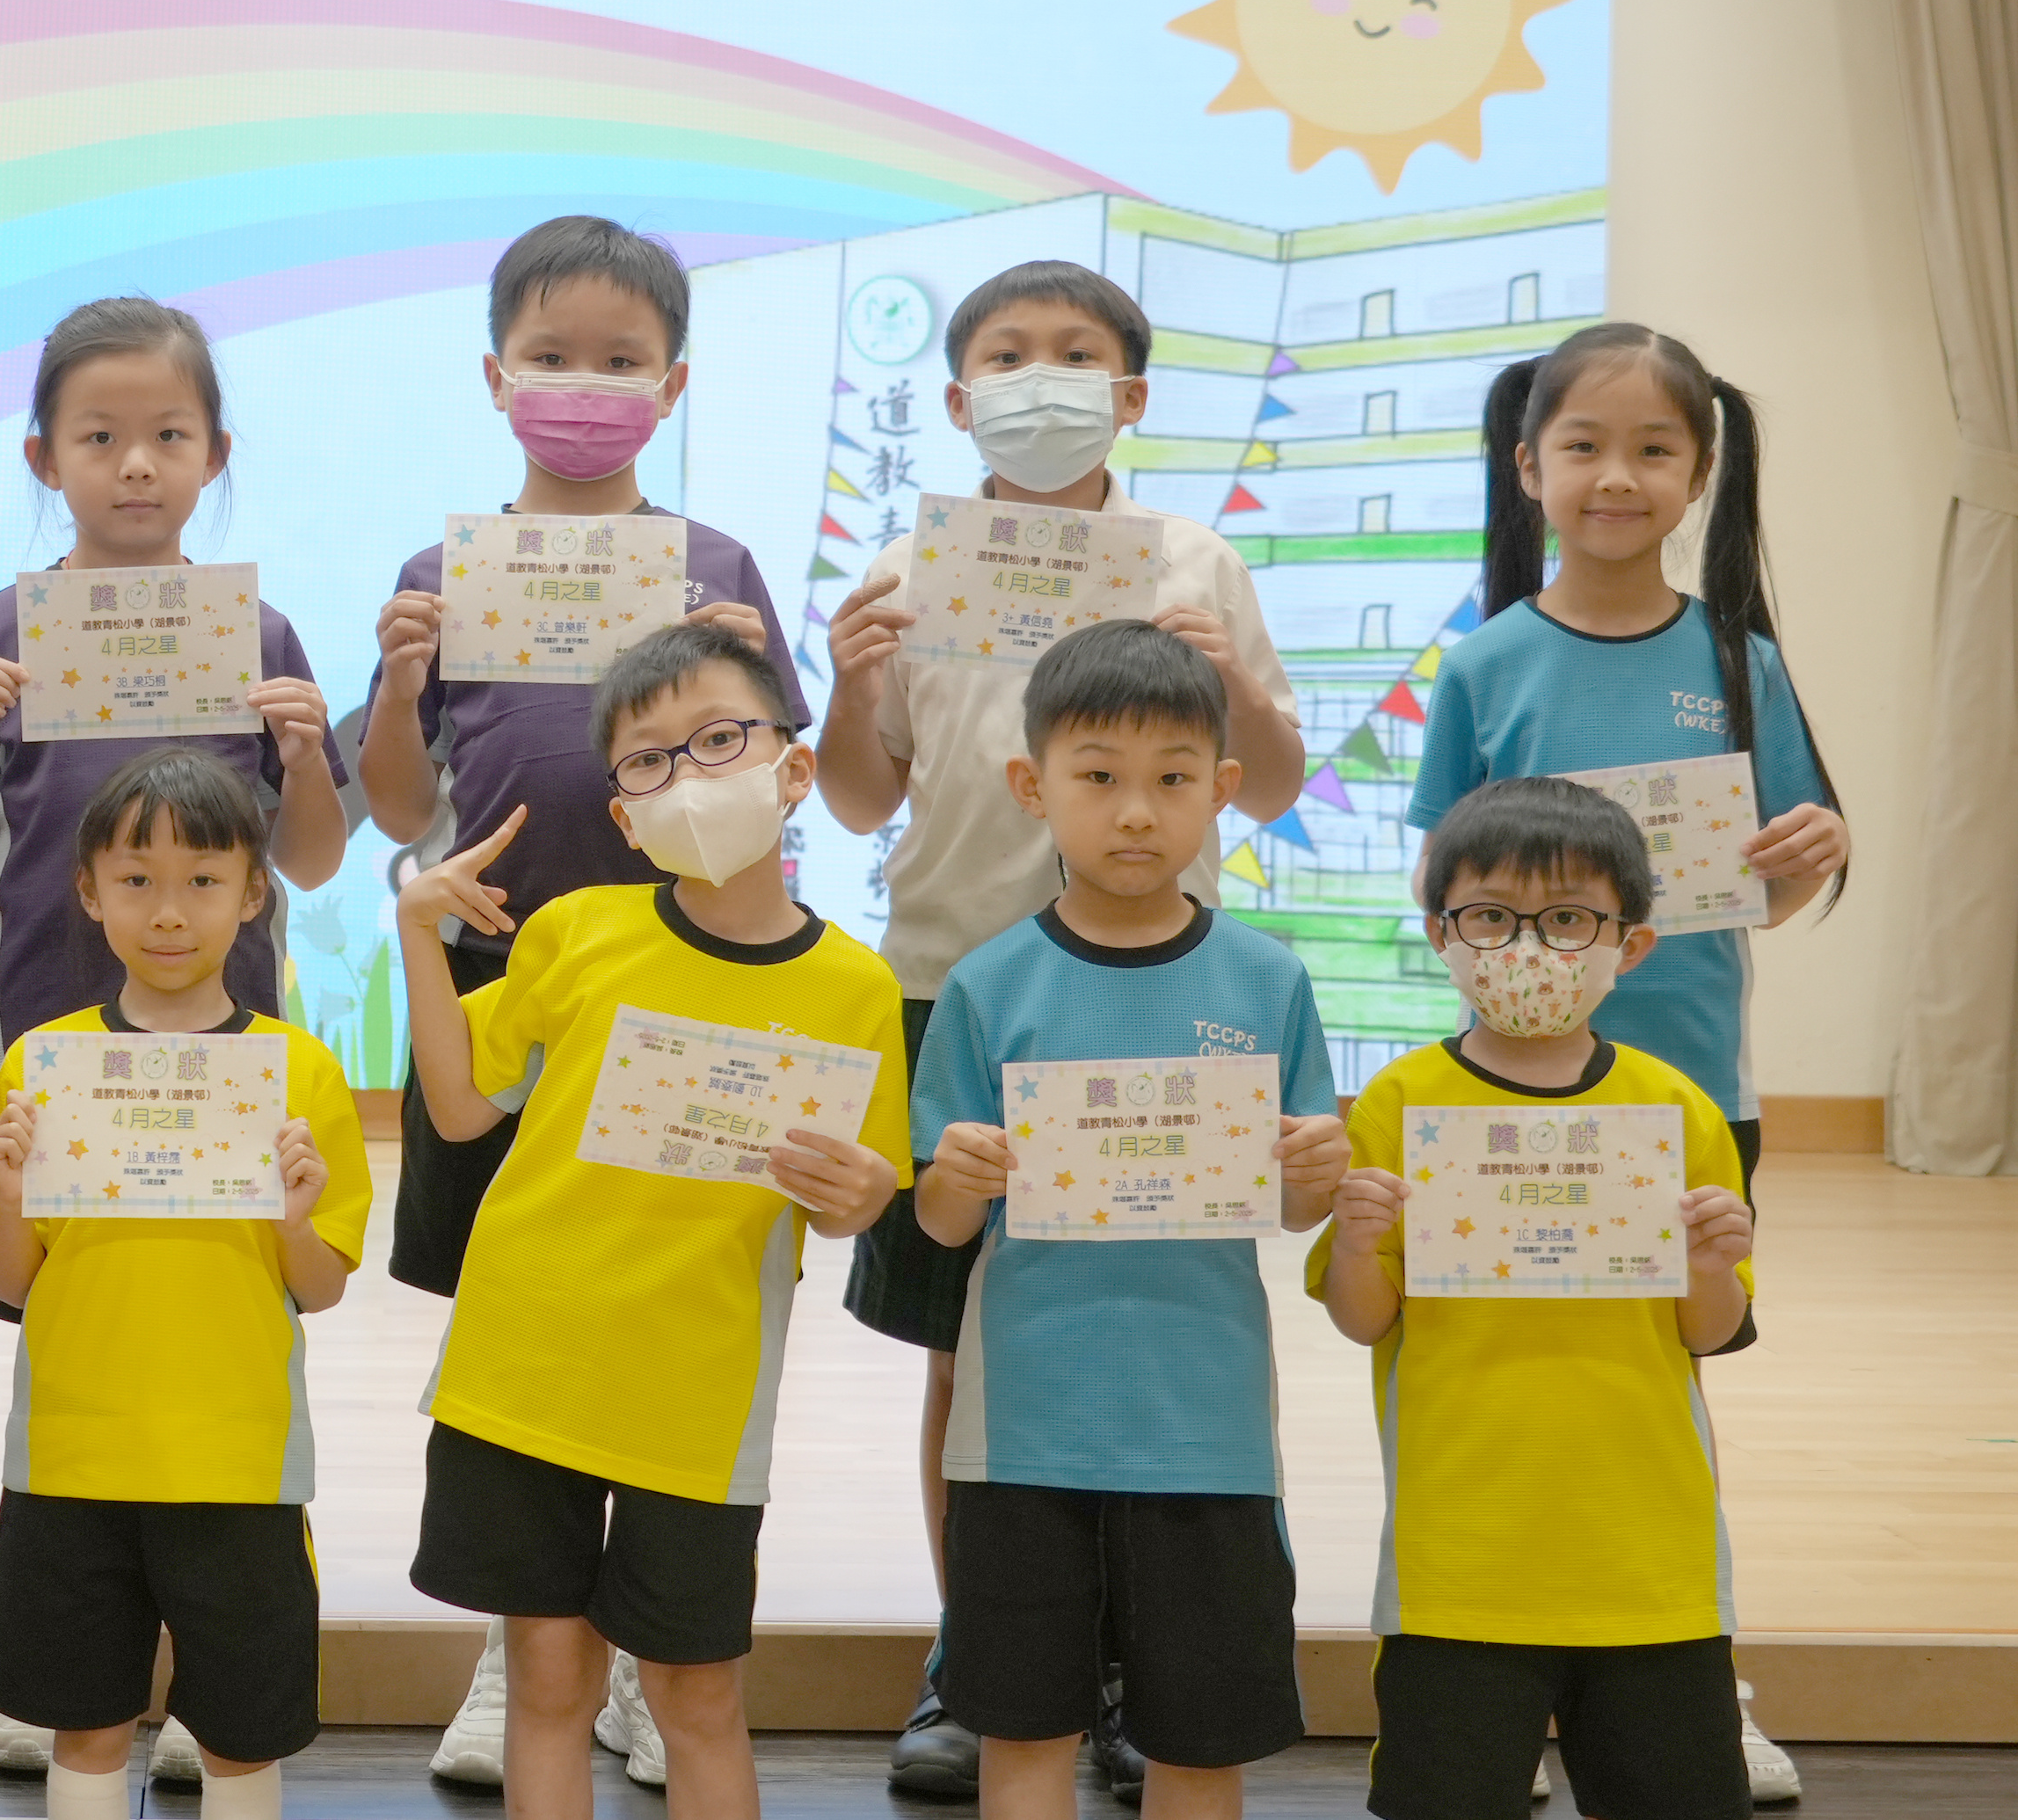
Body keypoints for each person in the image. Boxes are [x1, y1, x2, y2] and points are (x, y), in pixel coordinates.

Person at [805, 259, 1305, 1797]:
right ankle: (982, 1662)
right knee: (962, 1347)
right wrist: (847, 682)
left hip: (1156, 994)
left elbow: (1273, 778)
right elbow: (856, 801)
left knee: (1140, 1320)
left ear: (1127, 394)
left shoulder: (1191, 561)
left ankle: (1132, 1675)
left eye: (1072, 354)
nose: (1040, 377)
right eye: (1007, 356)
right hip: (953, 981)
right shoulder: (906, 567)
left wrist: (1225, 684)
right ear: (958, 402)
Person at [350, 215, 799, 1787]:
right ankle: (520, 1649)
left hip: (685, 993)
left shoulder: (712, 569)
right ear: (494, 376)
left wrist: (739, 672)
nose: (582, 384)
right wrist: (397, 683)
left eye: (618, 360)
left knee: (659, 1304)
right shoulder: (441, 574)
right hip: (501, 982)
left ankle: (648, 1670)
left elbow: (786, 778)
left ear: (669, 383)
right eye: (551, 356)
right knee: (510, 1309)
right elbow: (387, 799)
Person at [0, 295, 350, 1777]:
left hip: (225, 1052)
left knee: (223, 1326)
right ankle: (70, 1663)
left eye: (168, 435)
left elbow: (312, 859)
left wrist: (301, 752)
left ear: (214, 453)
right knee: (59, 1327)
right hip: (55, 1044)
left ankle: (207, 1680)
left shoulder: (256, 633)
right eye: (98, 437)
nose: (137, 465)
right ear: (44, 457)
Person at [1414, 324, 1841, 1800]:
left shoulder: (1737, 662)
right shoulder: (1484, 663)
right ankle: (1507, 1687)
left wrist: (1806, 855)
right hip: (1496, 1095)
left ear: (1697, 472)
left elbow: (1759, 893)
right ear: (1525, 466)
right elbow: (1437, 883)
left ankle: (1690, 1683)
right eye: (1582, 445)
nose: (1615, 475)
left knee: (1662, 1395)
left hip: (1684, 1097)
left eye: (1652, 448)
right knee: (1502, 1392)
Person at [390, 621, 909, 1820]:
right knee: (546, 1677)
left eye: (717, 740)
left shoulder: (855, 987)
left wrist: (866, 1193)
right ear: (624, 816)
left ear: (791, 767)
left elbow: (858, 1190)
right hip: (526, 1369)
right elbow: (461, 1108)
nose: (687, 775)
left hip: (697, 1399)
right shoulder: (575, 932)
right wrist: (417, 929)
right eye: (648, 760)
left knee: (695, 1694)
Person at [907, 619, 1349, 1820]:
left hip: (1204, 1434)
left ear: (1221, 789)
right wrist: (955, 1174)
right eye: (1097, 777)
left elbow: (1295, 1201)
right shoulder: (987, 983)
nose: (1135, 812)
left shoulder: (1265, 979)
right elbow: (938, 1223)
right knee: (1022, 1733)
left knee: (1198, 1743)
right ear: (1031, 786)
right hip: (1020, 1436)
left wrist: (1316, 1167)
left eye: (1170, 779)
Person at [1314, 779, 1757, 1820]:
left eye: (1565, 919)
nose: (1524, 946)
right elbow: (1362, 1317)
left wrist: (1711, 1263)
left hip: (1648, 1562)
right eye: (1489, 916)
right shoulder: (1400, 1101)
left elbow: (1708, 1329)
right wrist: (1359, 1241)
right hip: (1456, 1557)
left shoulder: (1673, 1108)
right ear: (1441, 932)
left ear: (1628, 944)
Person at [0, 749, 374, 1820]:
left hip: (238, 1461)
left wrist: (294, 1218)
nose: (167, 911)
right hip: (71, 1455)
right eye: (135, 879)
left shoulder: (299, 1070)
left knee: (241, 1734)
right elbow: (11, 1281)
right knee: (84, 1724)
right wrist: (8, 1194)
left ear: (253, 894)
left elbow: (321, 1287)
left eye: (202, 879)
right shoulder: (41, 1063)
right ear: (88, 892)